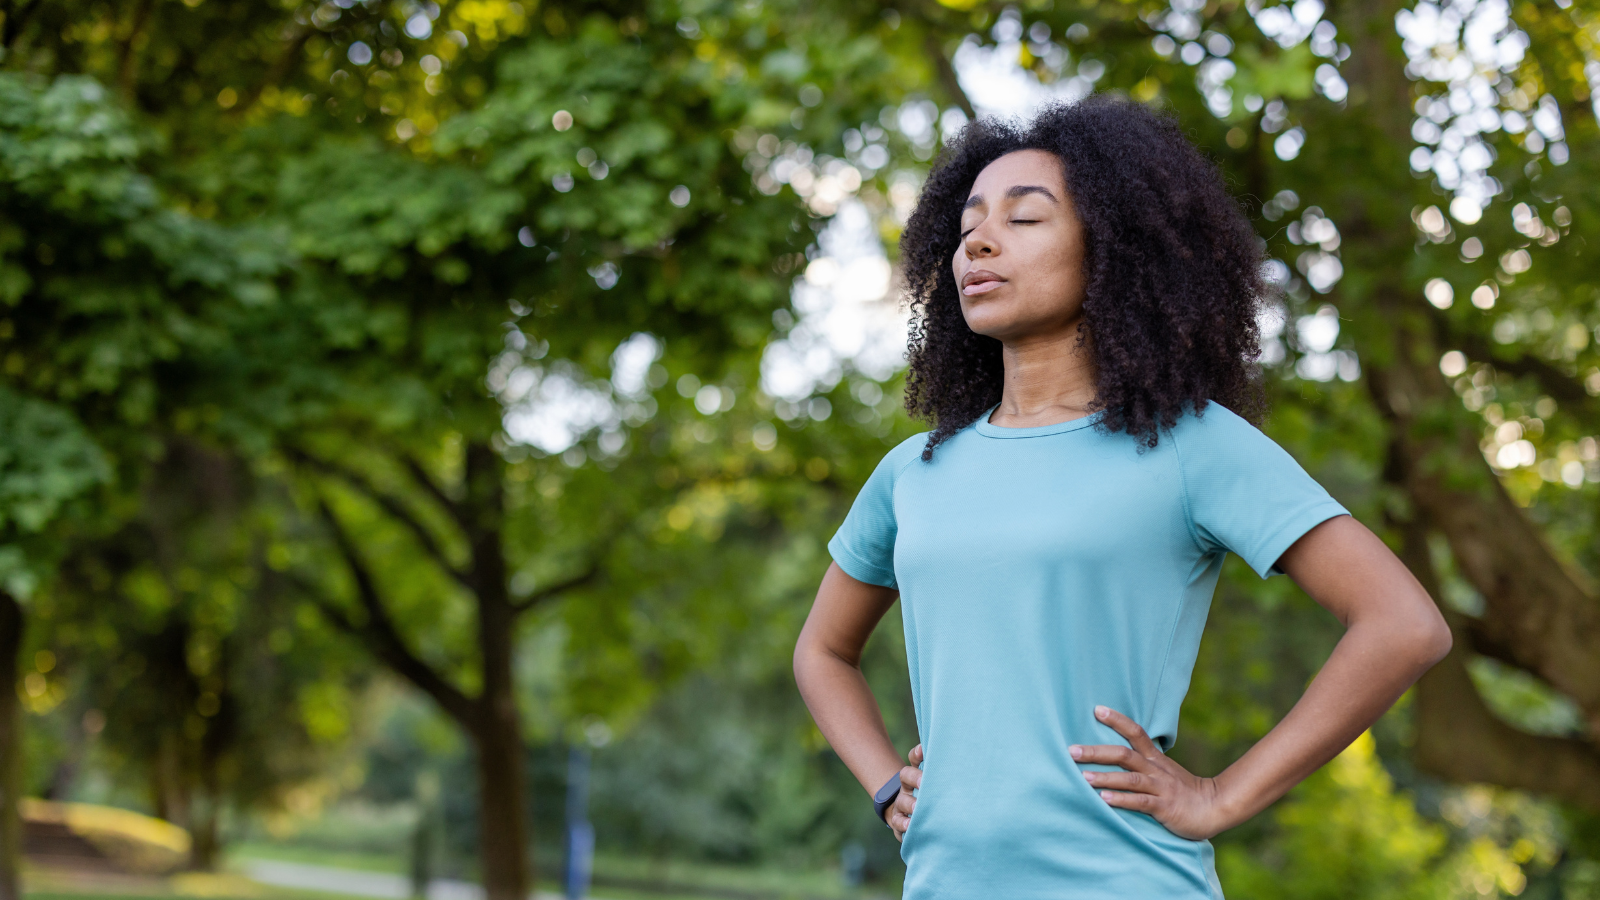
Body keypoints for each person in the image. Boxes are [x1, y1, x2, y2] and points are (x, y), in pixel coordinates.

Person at [790, 97, 1452, 899]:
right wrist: (886, 786)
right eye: (967, 226)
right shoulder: (912, 473)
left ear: (1112, 248)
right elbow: (822, 652)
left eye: (1024, 218)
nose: (980, 242)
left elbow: (1402, 624)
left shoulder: (1190, 444)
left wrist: (1221, 796)